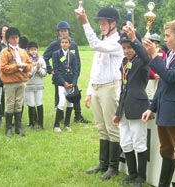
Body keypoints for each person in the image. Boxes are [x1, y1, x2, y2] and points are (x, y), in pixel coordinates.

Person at [142, 20, 175, 187]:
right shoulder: (170, 54)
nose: (165, 39)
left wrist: (153, 56)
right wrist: (152, 108)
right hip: (164, 110)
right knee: (165, 150)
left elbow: (170, 77)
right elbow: (163, 85)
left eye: (167, 35)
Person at [75, 7, 124, 180]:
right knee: (102, 128)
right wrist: (89, 91)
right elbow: (95, 68)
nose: (102, 26)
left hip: (110, 87)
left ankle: (113, 166)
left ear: (113, 24)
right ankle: (103, 163)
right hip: (97, 87)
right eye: (100, 23)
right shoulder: (104, 40)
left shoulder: (117, 41)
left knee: (112, 128)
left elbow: (94, 44)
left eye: (104, 23)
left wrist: (85, 22)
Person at [112, 25, 149, 187]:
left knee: (139, 143)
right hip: (125, 108)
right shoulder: (124, 62)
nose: (127, 51)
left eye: (130, 47)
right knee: (126, 142)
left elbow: (146, 56)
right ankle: (131, 174)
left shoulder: (142, 61)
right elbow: (123, 88)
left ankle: (141, 177)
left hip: (138, 107)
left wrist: (135, 42)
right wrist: (118, 111)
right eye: (124, 48)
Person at [43, 21, 90, 124]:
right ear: (58, 32)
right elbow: (44, 57)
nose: (63, 33)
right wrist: (50, 70)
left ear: (68, 31)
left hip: (72, 75)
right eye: (61, 31)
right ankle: (59, 117)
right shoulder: (54, 45)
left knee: (75, 95)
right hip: (60, 76)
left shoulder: (73, 45)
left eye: (65, 31)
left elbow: (77, 61)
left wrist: (76, 75)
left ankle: (78, 115)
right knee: (60, 96)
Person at [0, 27, 32, 137]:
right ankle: (8, 128)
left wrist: (26, 66)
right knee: (10, 104)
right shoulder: (4, 52)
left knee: (19, 104)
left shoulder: (23, 51)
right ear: (8, 39)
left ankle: (18, 127)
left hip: (22, 81)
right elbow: (3, 68)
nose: (15, 40)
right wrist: (16, 66)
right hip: (10, 82)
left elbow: (30, 64)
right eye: (13, 38)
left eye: (17, 38)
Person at [52, 36, 79, 132]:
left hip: (71, 83)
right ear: (60, 44)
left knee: (70, 103)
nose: (64, 44)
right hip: (61, 83)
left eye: (66, 42)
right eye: (62, 42)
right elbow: (56, 70)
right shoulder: (56, 54)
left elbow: (76, 70)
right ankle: (56, 125)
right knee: (62, 102)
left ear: (69, 44)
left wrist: (74, 83)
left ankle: (67, 124)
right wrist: (64, 82)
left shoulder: (72, 56)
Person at [25, 41, 47, 130]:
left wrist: (39, 69)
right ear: (28, 51)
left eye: (35, 49)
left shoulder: (41, 60)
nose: (33, 51)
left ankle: (40, 124)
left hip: (39, 85)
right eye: (31, 50)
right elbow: (28, 74)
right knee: (31, 104)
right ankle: (31, 123)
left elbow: (44, 73)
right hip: (29, 85)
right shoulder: (26, 60)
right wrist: (35, 68)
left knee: (39, 103)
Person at [146, 33, 166, 101]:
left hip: (159, 76)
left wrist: (160, 74)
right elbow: (147, 65)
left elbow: (163, 64)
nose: (155, 44)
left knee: (158, 91)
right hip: (151, 77)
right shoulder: (148, 52)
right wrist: (153, 74)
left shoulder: (162, 52)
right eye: (153, 42)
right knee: (150, 92)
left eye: (157, 43)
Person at [0, 24, 9, 117]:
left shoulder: (12, 44)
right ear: (1, 33)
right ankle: (1, 113)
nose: (5, 32)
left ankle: (9, 111)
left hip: (10, 70)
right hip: (0, 71)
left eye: (7, 30)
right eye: (4, 31)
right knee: (1, 92)